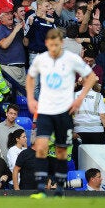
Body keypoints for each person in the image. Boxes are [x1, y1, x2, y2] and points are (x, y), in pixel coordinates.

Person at [26, 29, 97, 198]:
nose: (53, 48)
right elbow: (30, 78)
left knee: (61, 152)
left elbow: (92, 77)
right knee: (41, 147)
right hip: (45, 111)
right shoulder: (41, 59)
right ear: (46, 44)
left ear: (62, 44)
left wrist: (79, 98)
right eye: (50, 45)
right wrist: (30, 99)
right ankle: (41, 189)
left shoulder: (71, 59)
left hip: (64, 112)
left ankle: (59, 189)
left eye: (56, 45)